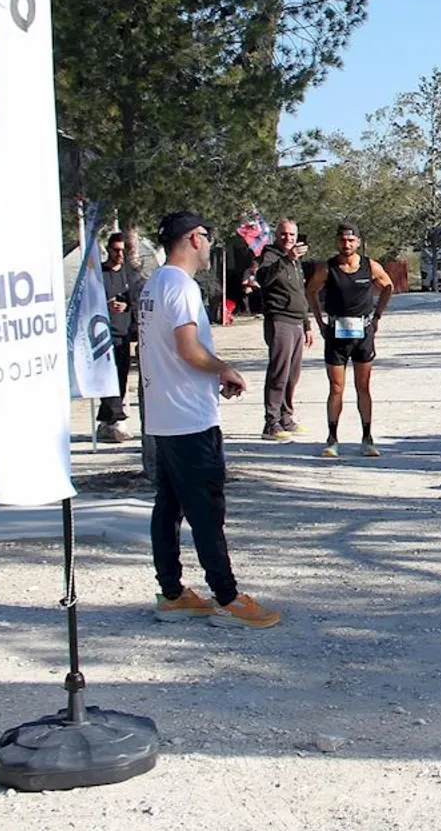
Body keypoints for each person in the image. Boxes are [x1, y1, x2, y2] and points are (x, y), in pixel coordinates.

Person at [139, 211, 279, 629]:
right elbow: (187, 349)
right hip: (189, 419)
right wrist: (224, 369)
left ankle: (172, 592)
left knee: (168, 505)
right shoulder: (180, 286)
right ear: (192, 238)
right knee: (206, 509)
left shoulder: (154, 283)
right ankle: (228, 597)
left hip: (165, 413)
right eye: (206, 236)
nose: (209, 245)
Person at [305, 224, 394, 459]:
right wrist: (320, 321)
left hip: (362, 334)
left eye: (351, 241)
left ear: (358, 242)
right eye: (343, 240)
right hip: (337, 335)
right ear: (337, 242)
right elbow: (310, 291)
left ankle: (367, 437)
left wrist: (377, 317)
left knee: (363, 387)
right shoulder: (328, 268)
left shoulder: (370, 266)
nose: (347, 245)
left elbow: (388, 286)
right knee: (336, 388)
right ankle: (332, 438)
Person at [253, 220, 313, 442]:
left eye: (292, 235)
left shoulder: (296, 261)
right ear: (276, 235)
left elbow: (300, 293)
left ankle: (286, 416)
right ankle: (271, 422)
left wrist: (307, 324)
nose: (288, 238)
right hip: (279, 319)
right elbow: (263, 278)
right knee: (279, 371)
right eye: (284, 234)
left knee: (292, 374)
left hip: (297, 321)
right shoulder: (270, 256)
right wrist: (287, 259)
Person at [97, 231, 144, 444]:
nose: (119, 255)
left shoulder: (130, 275)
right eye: (116, 250)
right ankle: (116, 419)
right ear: (108, 250)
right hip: (103, 334)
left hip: (123, 332)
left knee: (121, 376)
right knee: (106, 377)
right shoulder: (97, 274)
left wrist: (127, 306)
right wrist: (105, 306)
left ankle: (107, 420)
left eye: (123, 251)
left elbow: (137, 300)